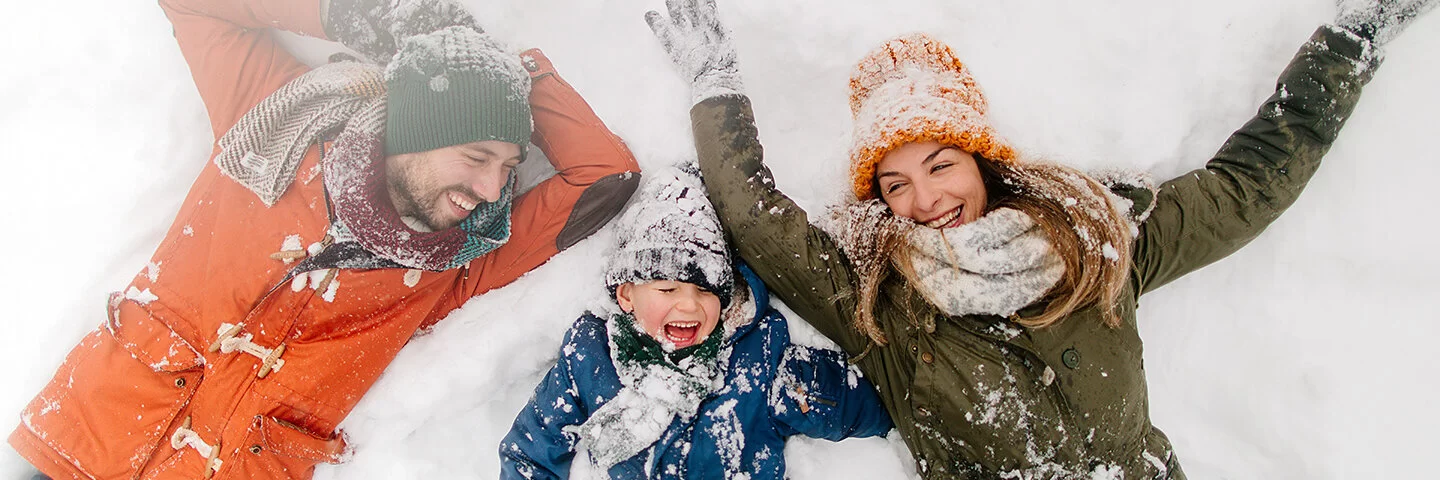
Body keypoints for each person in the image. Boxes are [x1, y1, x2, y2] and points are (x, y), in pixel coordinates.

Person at [645, 0, 1435, 477]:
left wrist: (1353, 37)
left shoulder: (1096, 244)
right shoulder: (877, 303)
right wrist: (713, 76)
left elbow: (1248, 185)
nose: (924, 200)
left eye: (940, 164)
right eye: (894, 185)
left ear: (980, 159)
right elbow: (752, 215)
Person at [10, 0, 641, 478]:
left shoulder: (460, 261)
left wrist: (514, 70)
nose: (489, 187)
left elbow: (605, 174)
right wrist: (353, 12)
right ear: (414, 128)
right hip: (81, 448)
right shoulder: (276, 120)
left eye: (508, 168)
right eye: (477, 155)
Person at [498, 165, 892, 479]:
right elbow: (531, 448)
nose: (689, 306)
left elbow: (870, 402)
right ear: (626, 295)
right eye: (667, 290)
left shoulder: (759, 358)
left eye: (706, 292)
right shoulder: (591, 354)